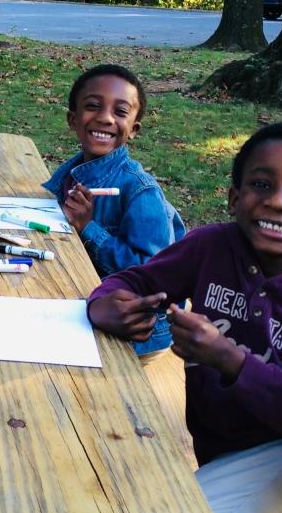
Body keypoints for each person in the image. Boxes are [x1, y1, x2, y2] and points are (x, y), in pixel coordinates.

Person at [87, 120, 282, 513]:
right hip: (239, 466)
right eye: (262, 185)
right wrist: (105, 304)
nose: (278, 202)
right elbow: (134, 281)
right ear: (234, 198)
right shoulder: (210, 248)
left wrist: (230, 359)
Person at [42, 64, 184, 355]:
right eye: (93, 106)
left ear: (133, 129)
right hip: (86, 294)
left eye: (120, 112)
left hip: (136, 329)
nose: (105, 118)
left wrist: (88, 227)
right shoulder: (74, 171)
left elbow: (155, 276)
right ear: (73, 119)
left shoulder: (141, 191)